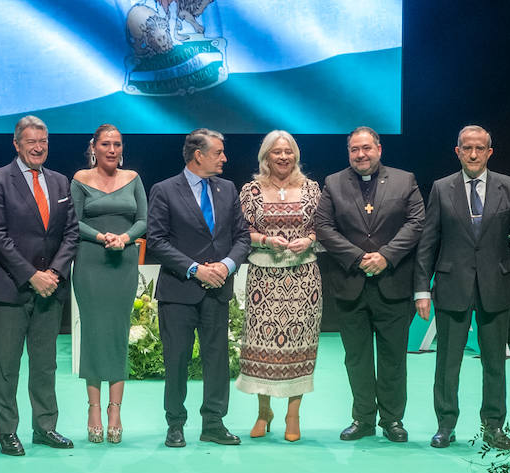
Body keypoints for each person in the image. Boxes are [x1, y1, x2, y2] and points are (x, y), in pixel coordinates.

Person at [415, 126, 510, 449]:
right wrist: (421, 289)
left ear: (489, 152)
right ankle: (445, 424)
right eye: (467, 148)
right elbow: (428, 242)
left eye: (479, 148)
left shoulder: (508, 186)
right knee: (447, 363)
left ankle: (494, 426)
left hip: (495, 285)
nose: (473, 154)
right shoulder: (442, 188)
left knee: (495, 362)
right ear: (457, 151)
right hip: (451, 285)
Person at [315, 126, 424, 443]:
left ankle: (393, 420)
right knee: (357, 358)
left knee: (393, 358)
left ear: (379, 148)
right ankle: (362, 418)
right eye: (354, 149)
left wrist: (386, 256)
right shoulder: (334, 183)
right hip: (351, 284)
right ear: (348, 152)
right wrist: (359, 256)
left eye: (366, 148)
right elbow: (323, 226)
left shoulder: (406, 180)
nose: (360, 155)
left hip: (393, 284)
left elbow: (417, 222)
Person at [145, 128, 251, 447]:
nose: (224, 158)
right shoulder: (164, 190)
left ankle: (214, 423)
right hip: (178, 291)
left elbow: (242, 237)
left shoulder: (228, 189)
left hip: (218, 289)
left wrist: (225, 265)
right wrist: (195, 270)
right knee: (176, 359)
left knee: (217, 359)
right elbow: (157, 241)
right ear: (198, 155)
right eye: (218, 152)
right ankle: (175, 423)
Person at [0, 115, 80, 456]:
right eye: (31, 142)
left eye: (43, 141)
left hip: (50, 290)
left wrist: (53, 272)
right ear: (17, 144)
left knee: (45, 363)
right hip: (11, 289)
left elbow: (71, 232)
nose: (38, 147)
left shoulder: (59, 181)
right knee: (6, 365)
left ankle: (45, 427)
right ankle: (7, 432)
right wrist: (31, 276)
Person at [237, 130, 322, 442]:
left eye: (288, 152)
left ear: (295, 155)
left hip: (304, 278)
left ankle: (292, 414)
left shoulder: (312, 189)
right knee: (263, 344)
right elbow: (241, 230)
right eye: (276, 152)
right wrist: (265, 240)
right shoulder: (251, 190)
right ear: (266, 157)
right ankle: (263, 411)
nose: (283, 157)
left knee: (299, 344)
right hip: (264, 277)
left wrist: (309, 239)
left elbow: (321, 227)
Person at [70, 123, 147, 444]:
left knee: (117, 334)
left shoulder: (133, 179)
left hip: (123, 263)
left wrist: (126, 238)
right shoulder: (79, 179)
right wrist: (101, 236)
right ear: (94, 147)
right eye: (105, 144)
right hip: (90, 263)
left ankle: (115, 410)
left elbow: (143, 219)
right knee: (93, 334)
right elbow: (72, 221)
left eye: (116, 144)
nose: (112, 150)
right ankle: (93, 409)